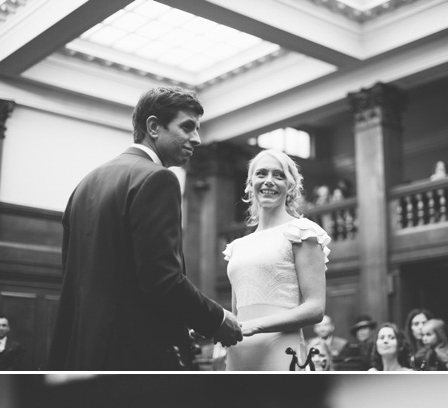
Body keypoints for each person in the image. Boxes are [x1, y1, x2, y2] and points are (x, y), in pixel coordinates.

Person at [47, 86, 241, 370]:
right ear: (153, 126)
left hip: (82, 350)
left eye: (197, 130)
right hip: (135, 356)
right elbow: (161, 280)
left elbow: (79, 277)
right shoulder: (157, 179)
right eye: (187, 127)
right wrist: (217, 319)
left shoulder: (86, 183)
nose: (197, 139)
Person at [224, 150, 328, 372]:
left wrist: (255, 326)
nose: (269, 181)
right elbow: (236, 314)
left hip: (281, 350)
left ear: (290, 186)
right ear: (250, 183)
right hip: (238, 352)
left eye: (278, 175)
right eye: (261, 174)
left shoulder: (302, 232)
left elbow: (315, 308)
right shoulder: (237, 247)